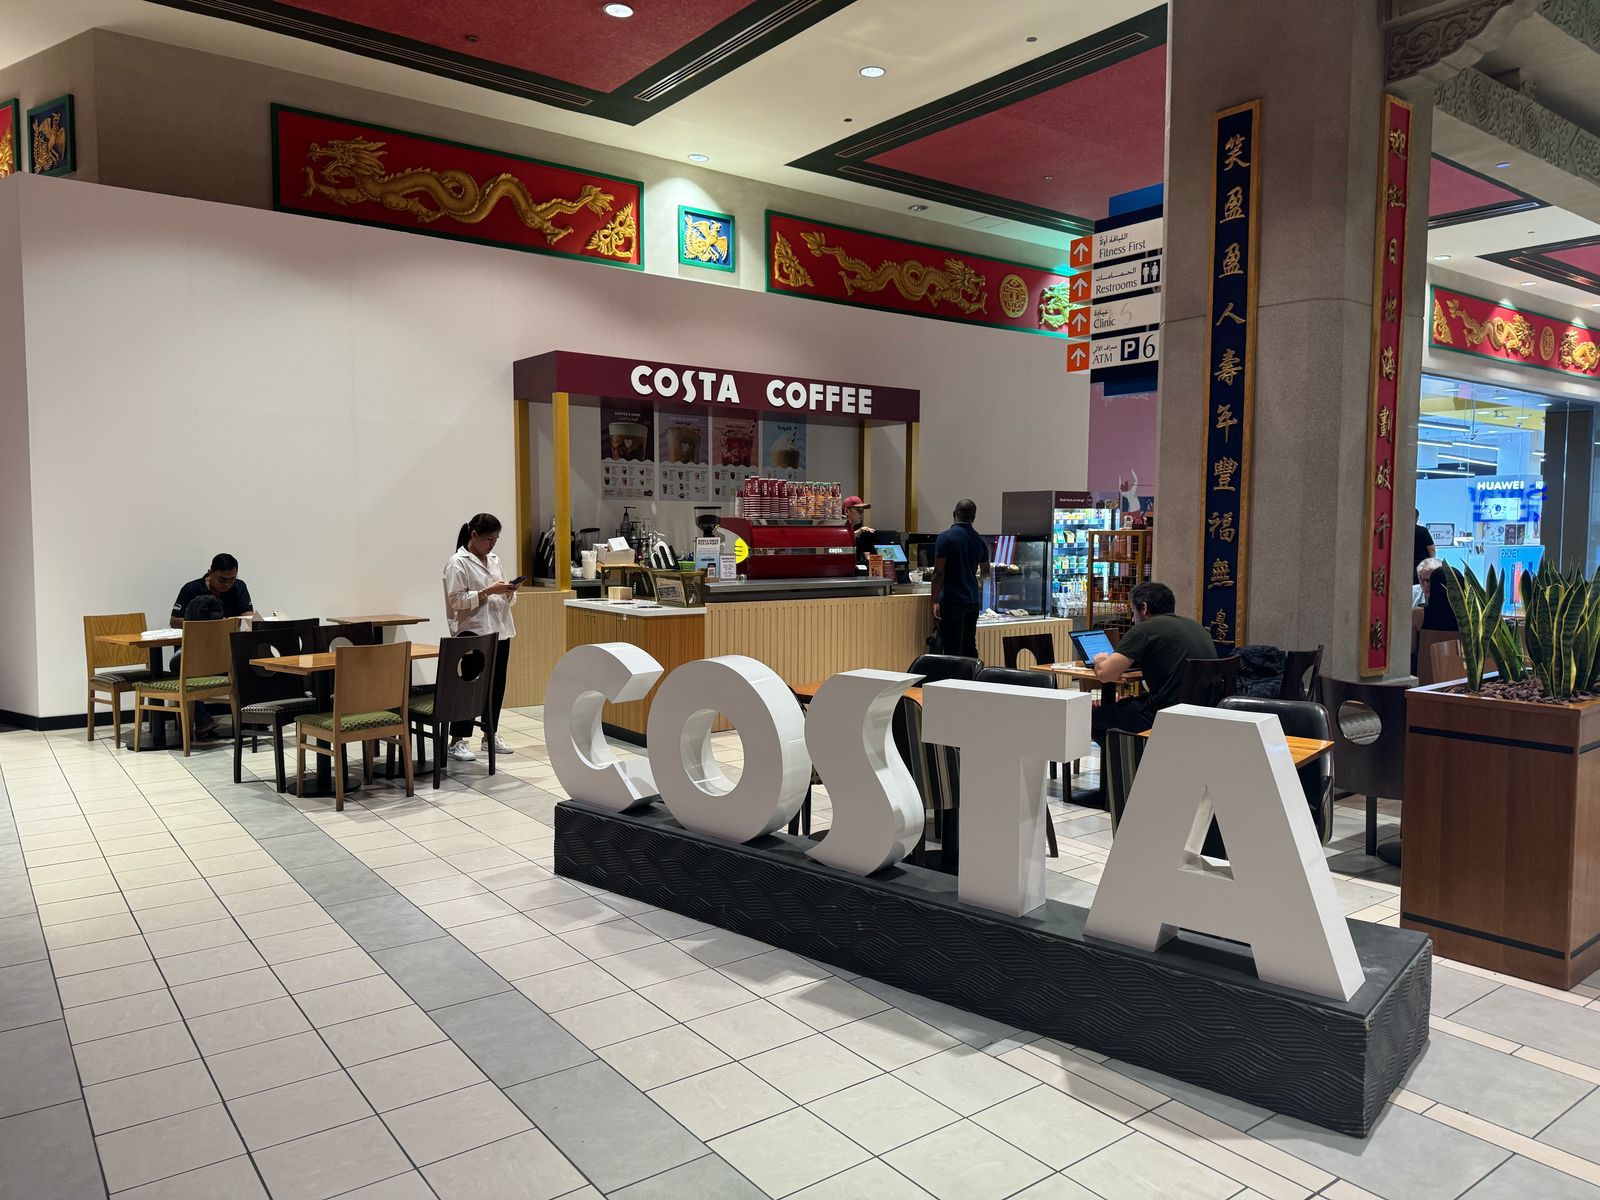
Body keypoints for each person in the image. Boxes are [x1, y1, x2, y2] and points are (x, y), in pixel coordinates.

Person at [1090, 581, 1217, 735]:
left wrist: (1100, 659)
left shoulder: (1144, 629)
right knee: (1125, 706)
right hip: (1203, 712)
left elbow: (1105, 674)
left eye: (1133, 612)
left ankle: (1132, 751)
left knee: (1092, 718)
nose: (1132, 619)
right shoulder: (1197, 627)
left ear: (1144, 608)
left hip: (1162, 713)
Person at [443, 512, 517, 762]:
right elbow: (456, 601)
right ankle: (457, 740)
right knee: (470, 687)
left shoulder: (494, 559)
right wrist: (488, 591)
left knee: (496, 686)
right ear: (473, 535)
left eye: (495, 539)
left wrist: (508, 591)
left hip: (500, 630)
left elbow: (505, 597)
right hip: (473, 632)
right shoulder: (457, 563)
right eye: (488, 539)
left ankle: (489, 734)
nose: (492, 544)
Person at [929, 499, 990, 659]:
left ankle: (953, 675)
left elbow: (939, 572)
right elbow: (986, 571)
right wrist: (977, 583)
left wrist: (934, 601)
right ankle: (971, 673)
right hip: (973, 601)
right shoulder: (980, 540)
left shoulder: (945, 537)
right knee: (969, 646)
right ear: (973, 518)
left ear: (954, 514)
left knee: (952, 647)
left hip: (952, 600)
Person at [171, 553, 256, 626]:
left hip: (231, 636)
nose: (227, 584)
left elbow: (248, 615)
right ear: (210, 573)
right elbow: (174, 621)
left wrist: (229, 622)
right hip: (199, 635)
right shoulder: (191, 588)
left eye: (232, 579)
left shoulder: (239, 586)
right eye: (222, 580)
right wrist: (211, 623)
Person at [843, 496, 877, 562]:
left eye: (862, 510)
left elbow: (867, 556)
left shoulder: (859, 533)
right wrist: (857, 533)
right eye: (859, 510)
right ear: (847, 511)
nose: (862, 514)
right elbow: (841, 541)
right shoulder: (838, 530)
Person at [1413, 510, 1435, 582]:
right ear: (1416, 518)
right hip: (1422, 566)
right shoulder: (1423, 531)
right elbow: (1431, 548)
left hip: (1407, 566)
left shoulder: (1403, 532)